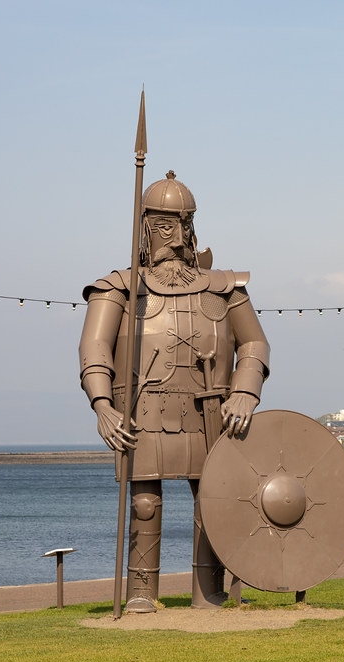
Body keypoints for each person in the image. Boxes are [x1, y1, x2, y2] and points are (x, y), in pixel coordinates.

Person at [79, 171, 270, 611]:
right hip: (143, 413)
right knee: (144, 503)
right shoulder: (120, 288)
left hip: (213, 412)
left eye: (178, 224)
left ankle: (209, 593)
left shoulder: (225, 288)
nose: (172, 236)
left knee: (213, 501)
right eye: (161, 225)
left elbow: (255, 344)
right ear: (144, 227)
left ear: (191, 226)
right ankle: (142, 594)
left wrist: (244, 393)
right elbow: (94, 347)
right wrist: (103, 405)